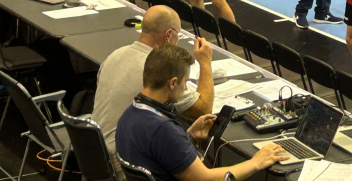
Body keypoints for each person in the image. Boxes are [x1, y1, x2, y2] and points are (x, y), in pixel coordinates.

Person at [115, 44, 288, 181]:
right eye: (185, 82)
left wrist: (188, 136)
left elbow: (161, 153)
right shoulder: (163, 130)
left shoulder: (128, 116)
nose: (185, 88)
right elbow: (205, 178)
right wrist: (256, 162)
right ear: (172, 83)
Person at [93, 6, 214, 178]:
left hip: (95, 156)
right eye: (178, 34)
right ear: (169, 35)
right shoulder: (160, 71)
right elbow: (203, 109)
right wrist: (205, 62)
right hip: (123, 165)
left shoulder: (114, 55)